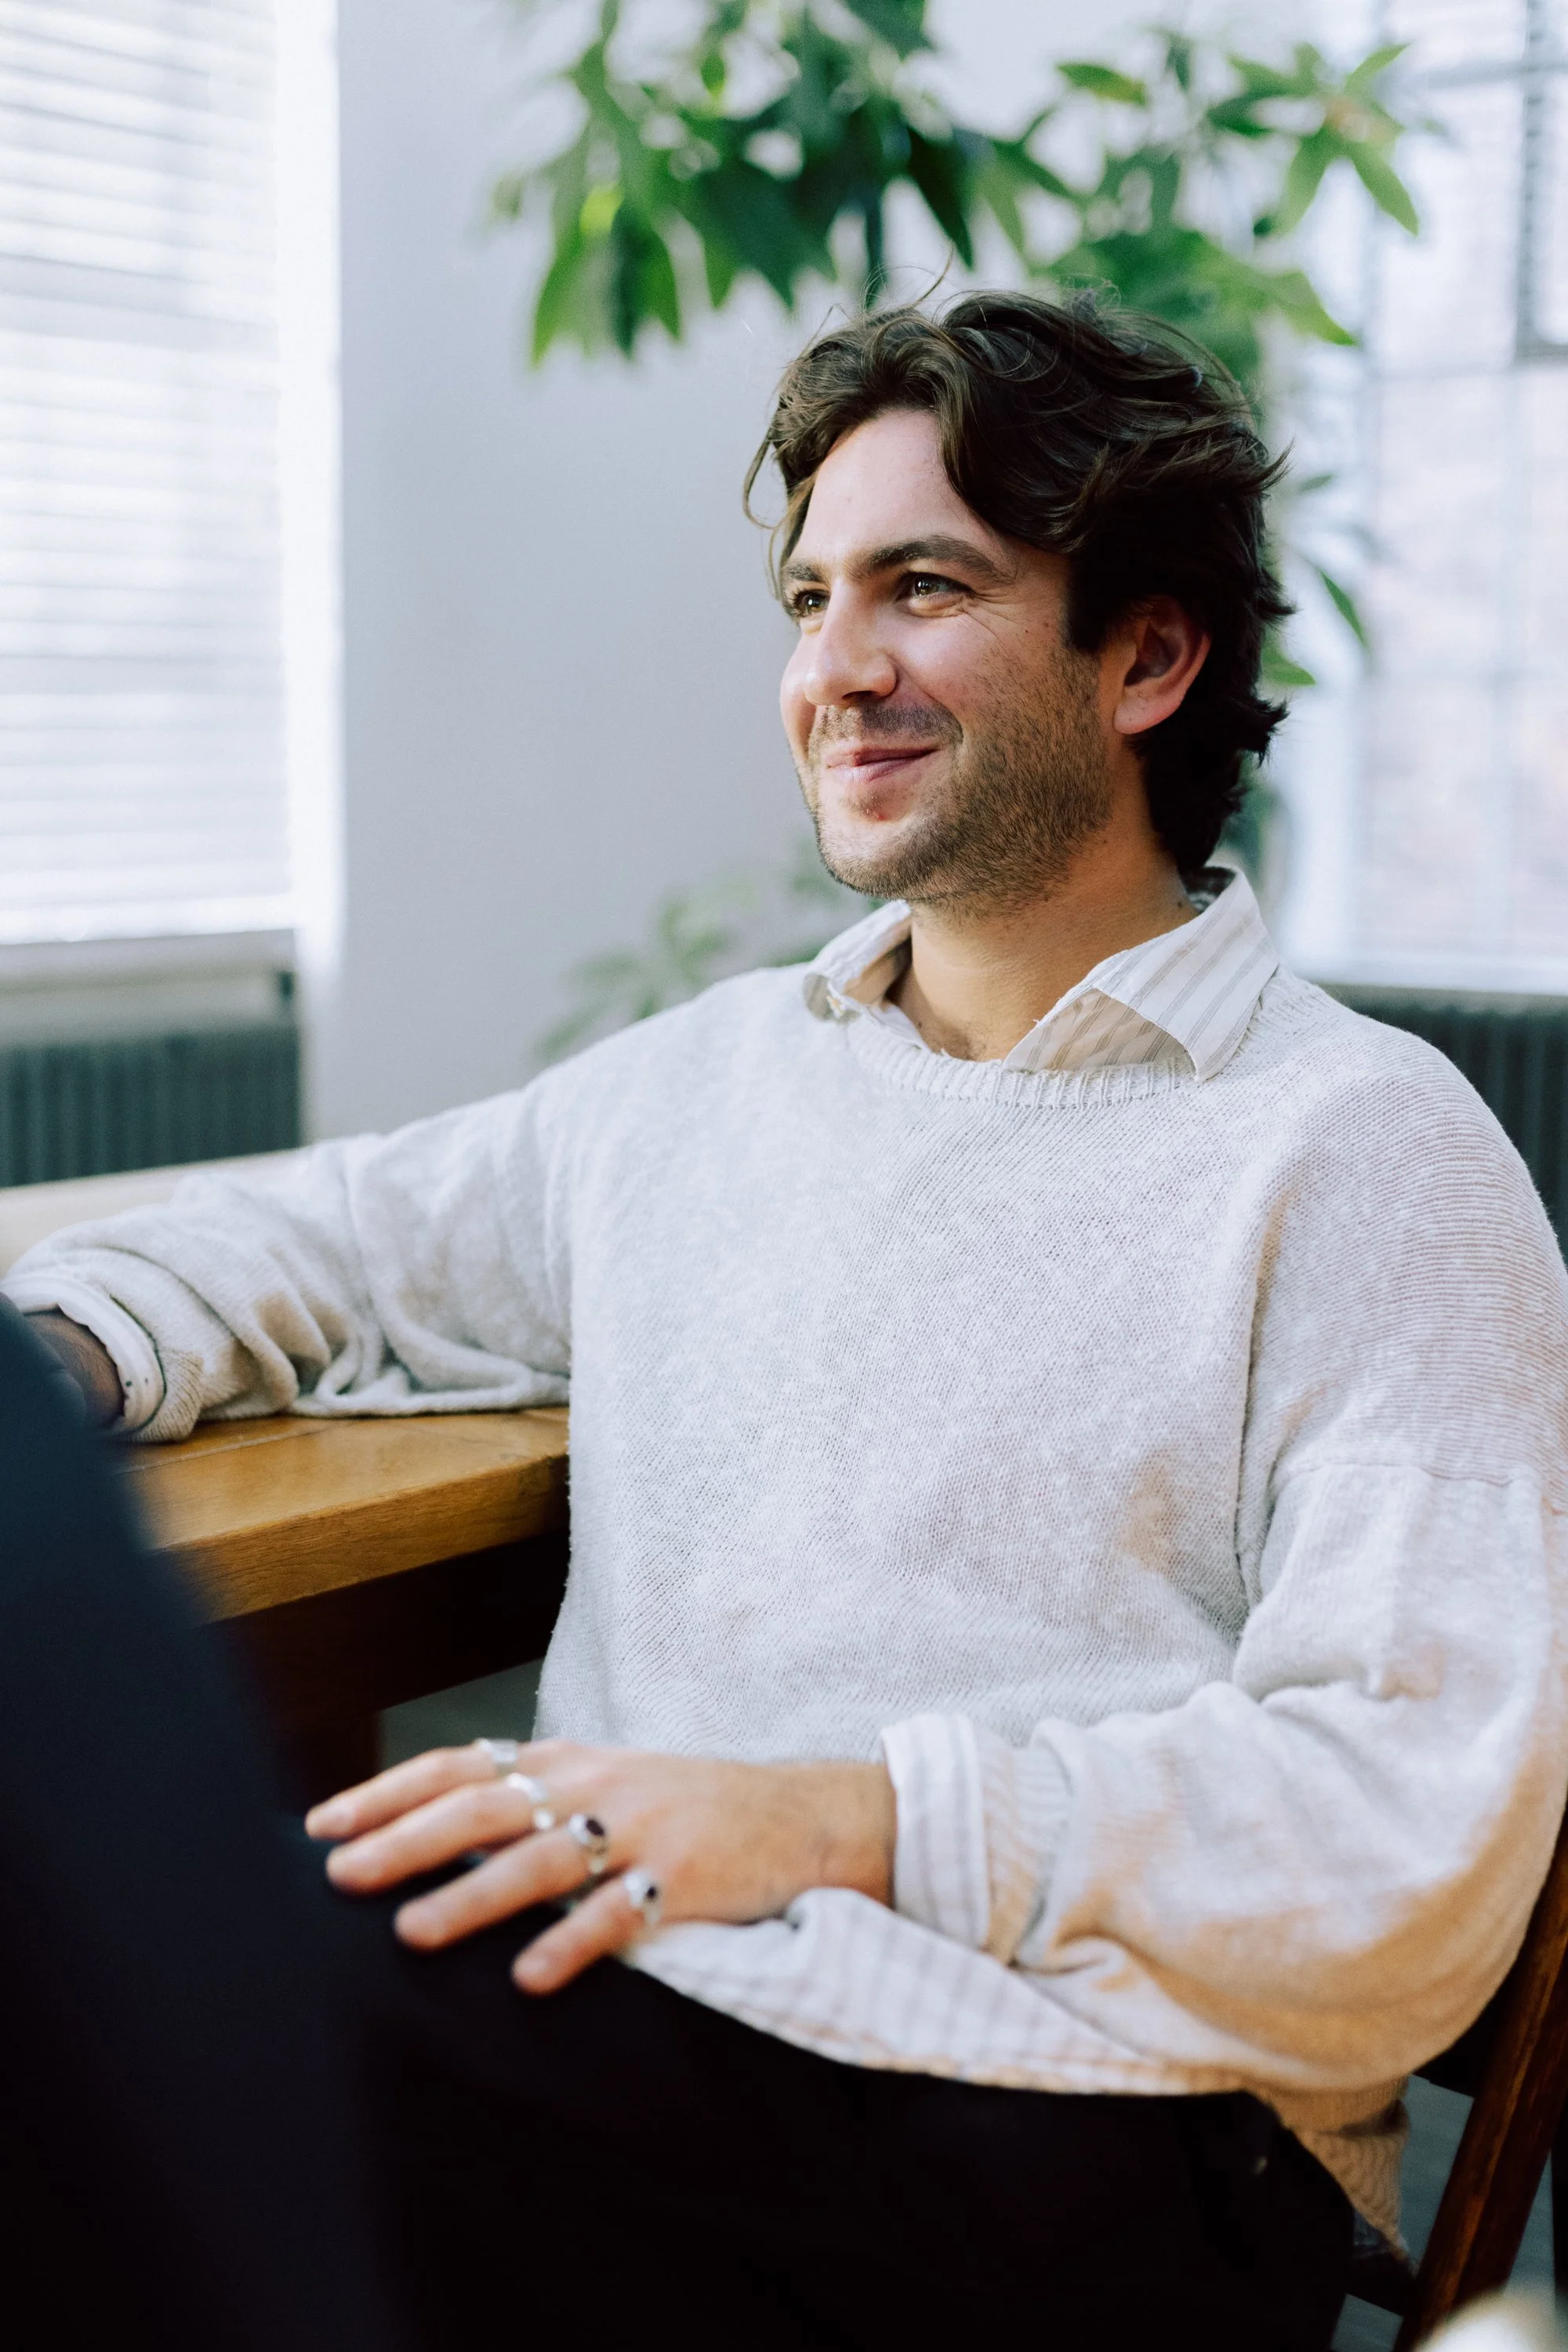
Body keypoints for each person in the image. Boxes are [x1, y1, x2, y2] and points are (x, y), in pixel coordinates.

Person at [11, 292, 1568, 2351]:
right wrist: (78, 1360)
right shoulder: (705, 1088)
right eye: (814, 596)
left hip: (1101, 2119)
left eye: (922, 589)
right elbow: (313, 1248)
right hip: (643, 2010)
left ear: (1150, 655)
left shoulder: (1369, 1151)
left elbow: (1403, 1835)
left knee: (151, 2040)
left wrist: (834, 1816)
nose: (835, 669)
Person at [0, 1301, 400, 2350]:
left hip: (851, 1942)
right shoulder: (642, 1141)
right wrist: (83, 1346)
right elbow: (346, 1234)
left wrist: (866, 1819)